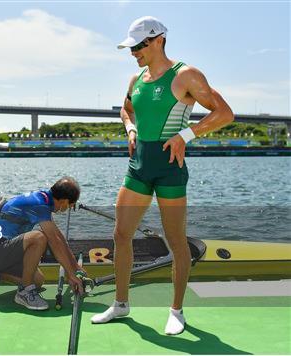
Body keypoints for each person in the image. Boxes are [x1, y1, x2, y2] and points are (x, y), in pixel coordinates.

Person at [91, 16, 234, 334]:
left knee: (176, 241)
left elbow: (224, 113)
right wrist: (129, 129)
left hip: (170, 167)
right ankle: (121, 303)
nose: (133, 53)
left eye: (138, 46)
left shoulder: (186, 75)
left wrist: (187, 135)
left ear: (158, 40)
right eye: (130, 47)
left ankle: (177, 310)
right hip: (139, 165)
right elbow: (126, 109)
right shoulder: (136, 79)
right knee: (121, 235)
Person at [0, 177, 85, 310]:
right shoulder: (40, 204)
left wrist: (75, 267)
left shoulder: (45, 199)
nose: (70, 208)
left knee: (38, 281)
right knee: (39, 237)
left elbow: (59, 238)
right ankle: (24, 292)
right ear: (64, 201)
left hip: (5, 249)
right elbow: (54, 243)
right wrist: (71, 275)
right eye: (71, 205)